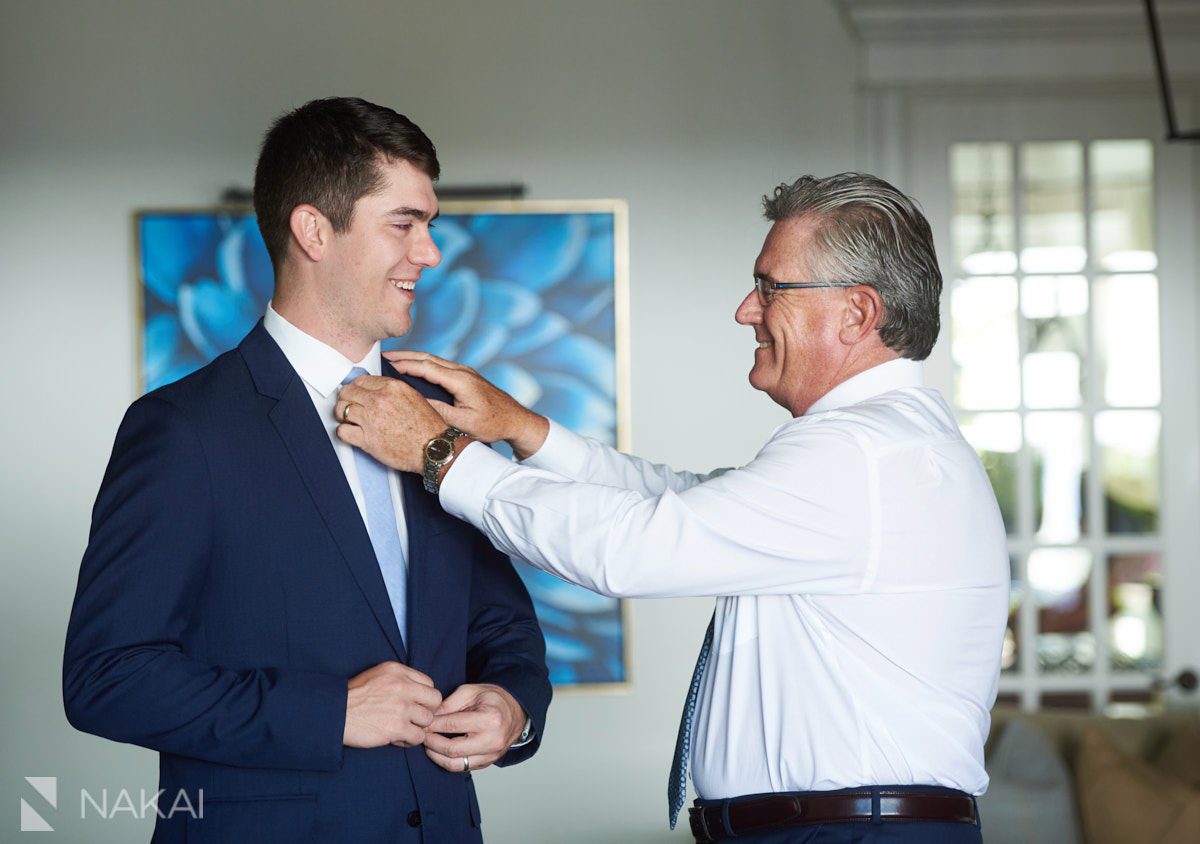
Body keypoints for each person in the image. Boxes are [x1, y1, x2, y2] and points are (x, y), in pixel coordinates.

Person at [333, 172, 1008, 843]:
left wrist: (439, 454)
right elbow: (683, 502)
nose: (747, 310)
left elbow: (633, 547)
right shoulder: (880, 449)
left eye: (772, 287)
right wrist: (524, 430)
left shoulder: (859, 458)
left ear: (857, 313)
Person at [63, 97, 550, 843]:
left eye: (430, 226)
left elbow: (502, 625)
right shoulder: (182, 430)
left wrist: (512, 706)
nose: (430, 253)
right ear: (314, 230)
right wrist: (328, 713)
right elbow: (107, 677)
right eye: (404, 224)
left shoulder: (442, 421)